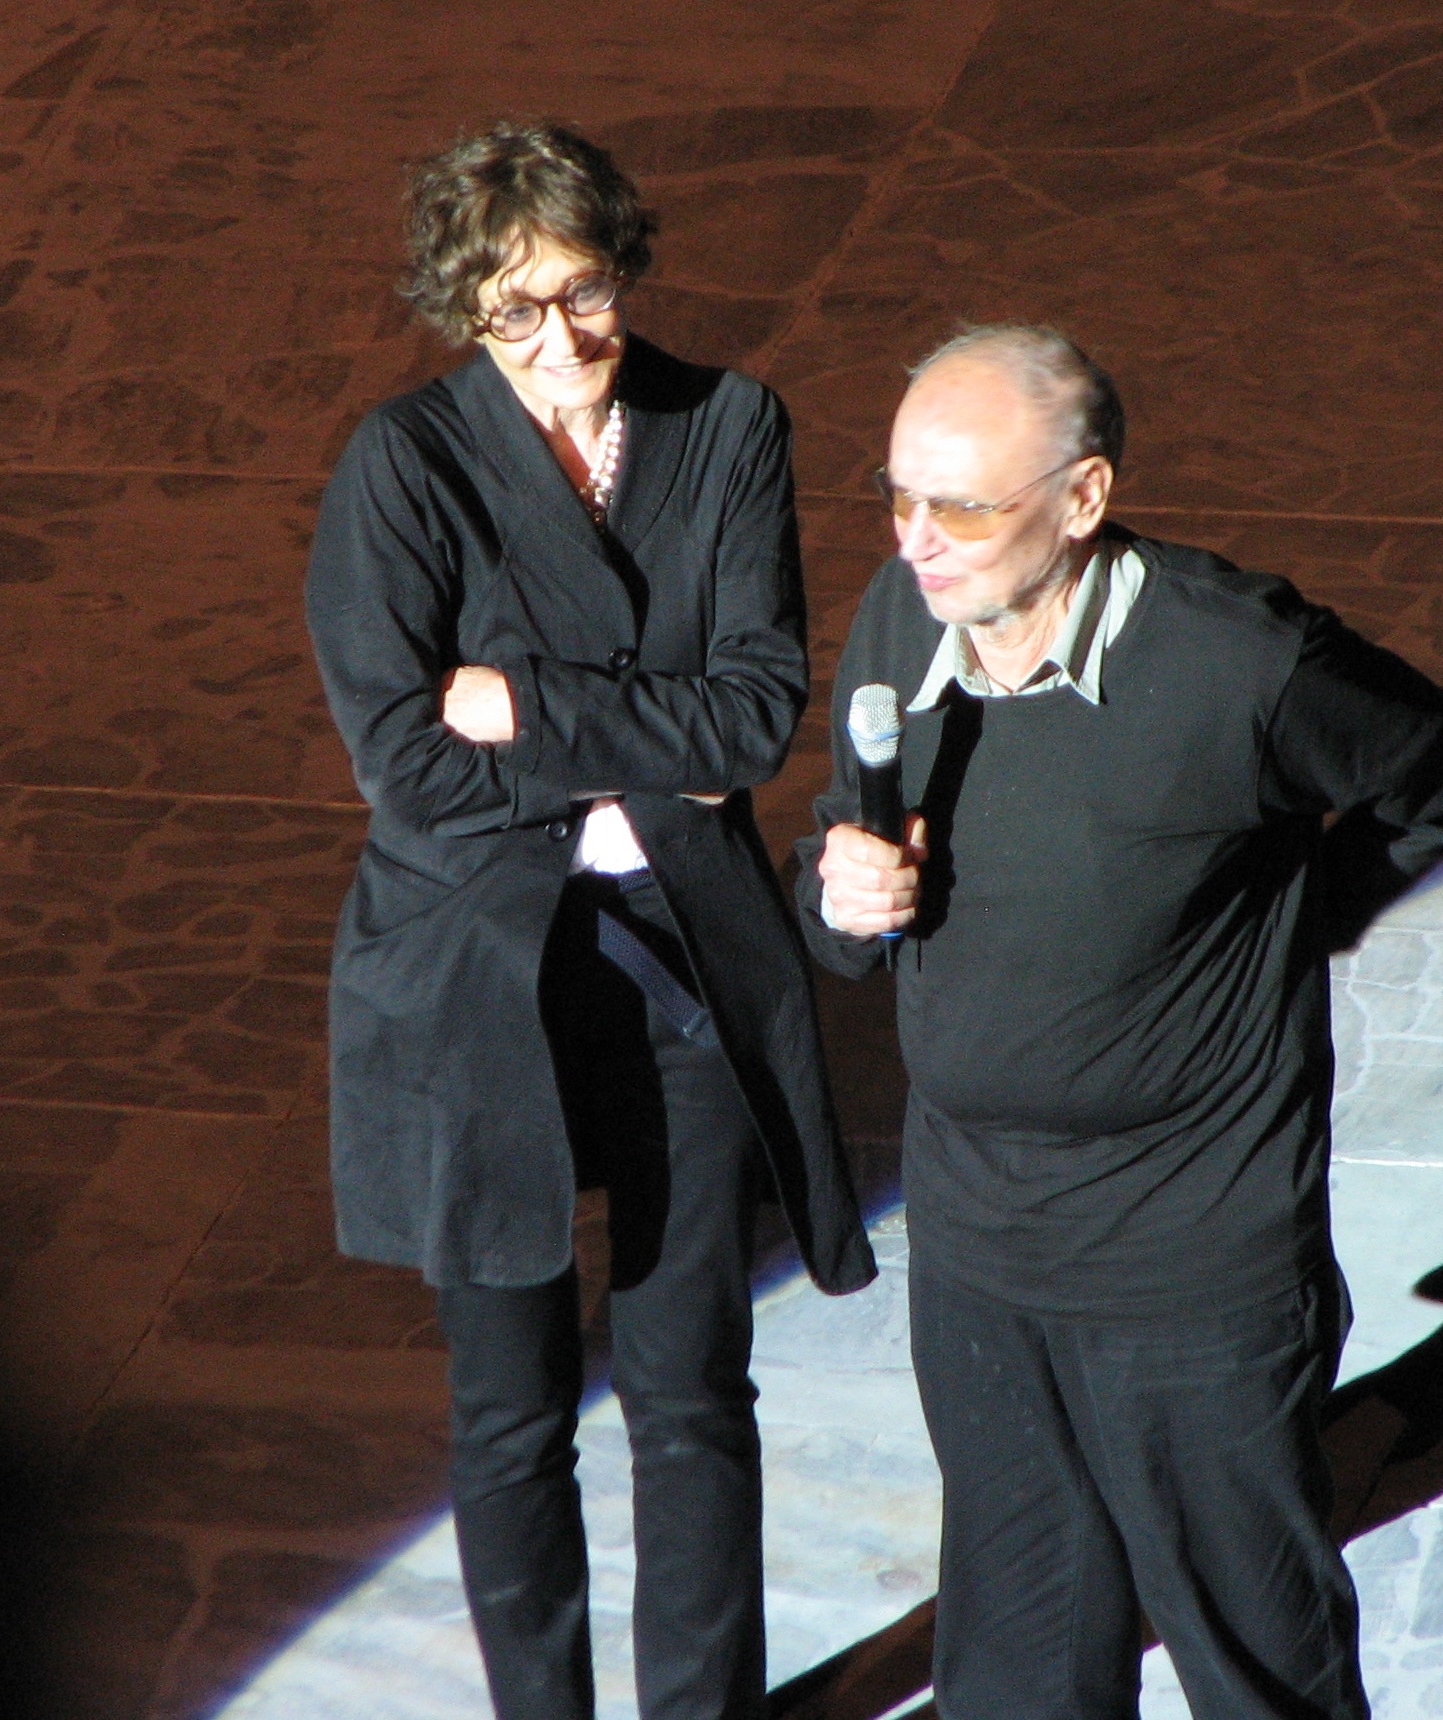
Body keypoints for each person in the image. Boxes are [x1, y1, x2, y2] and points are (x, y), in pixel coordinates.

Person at [798, 324, 1443, 1720]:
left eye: (962, 505)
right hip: (980, 1247)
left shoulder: (1237, 663)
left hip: (1186, 1257)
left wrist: (1286, 923)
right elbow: (849, 849)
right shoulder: (905, 618)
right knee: (1013, 1657)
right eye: (897, 497)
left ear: (1080, 498)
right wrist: (843, 892)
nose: (919, 542)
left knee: (1246, 1651)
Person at [305, 121, 873, 1720]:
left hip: (681, 951)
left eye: (585, 295)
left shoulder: (727, 424)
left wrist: (522, 703)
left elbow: (755, 720)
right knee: (509, 1414)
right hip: (477, 973)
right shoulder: (401, 465)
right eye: (515, 313)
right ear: (463, 316)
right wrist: (641, 732)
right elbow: (406, 765)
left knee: (693, 1385)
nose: (563, 343)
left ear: (625, 268)